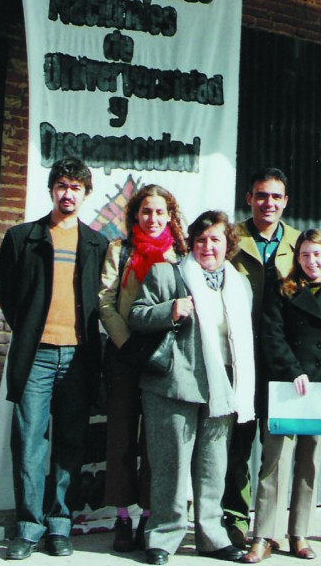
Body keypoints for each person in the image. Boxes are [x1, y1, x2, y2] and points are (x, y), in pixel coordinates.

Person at [0, 157, 109, 560]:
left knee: (70, 443)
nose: (68, 193)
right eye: (62, 185)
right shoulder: (22, 237)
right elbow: (9, 296)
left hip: (79, 357)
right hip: (37, 356)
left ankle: (60, 526)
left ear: (86, 194)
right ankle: (28, 528)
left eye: (76, 187)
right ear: (51, 190)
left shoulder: (97, 243)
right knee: (28, 442)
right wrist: (31, 334)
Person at [128, 210, 255, 565]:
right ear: (191, 243)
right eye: (200, 240)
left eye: (215, 239)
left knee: (214, 467)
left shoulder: (239, 283)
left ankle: (212, 537)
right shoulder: (168, 274)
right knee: (170, 466)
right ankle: (163, 537)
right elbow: (136, 315)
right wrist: (171, 309)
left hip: (223, 387)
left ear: (228, 244)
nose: (207, 247)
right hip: (173, 385)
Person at [241, 229, 321, 563]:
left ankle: (299, 534)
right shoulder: (283, 290)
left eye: (317, 254)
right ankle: (263, 535)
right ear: (297, 259)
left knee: (309, 467)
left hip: (320, 395)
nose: (311, 262)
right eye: (304, 255)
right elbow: (272, 336)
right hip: (287, 390)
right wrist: (293, 371)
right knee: (273, 464)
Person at [98, 184, 188, 552]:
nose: (153, 219)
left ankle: (151, 516)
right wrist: (126, 342)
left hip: (163, 359)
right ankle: (122, 518)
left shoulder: (179, 255)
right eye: (146, 212)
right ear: (135, 214)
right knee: (120, 437)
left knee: (157, 443)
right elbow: (105, 301)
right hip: (124, 354)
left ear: (170, 216)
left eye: (160, 212)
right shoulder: (120, 251)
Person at [224, 168, 300, 547]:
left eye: (275, 197)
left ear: (285, 202)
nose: (268, 203)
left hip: (280, 360)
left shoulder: (300, 243)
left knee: (277, 446)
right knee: (237, 442)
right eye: (261, 195)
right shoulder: (230, 238)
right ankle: (236, 518)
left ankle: (269, 528)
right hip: (239, 357)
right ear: (249, 198)